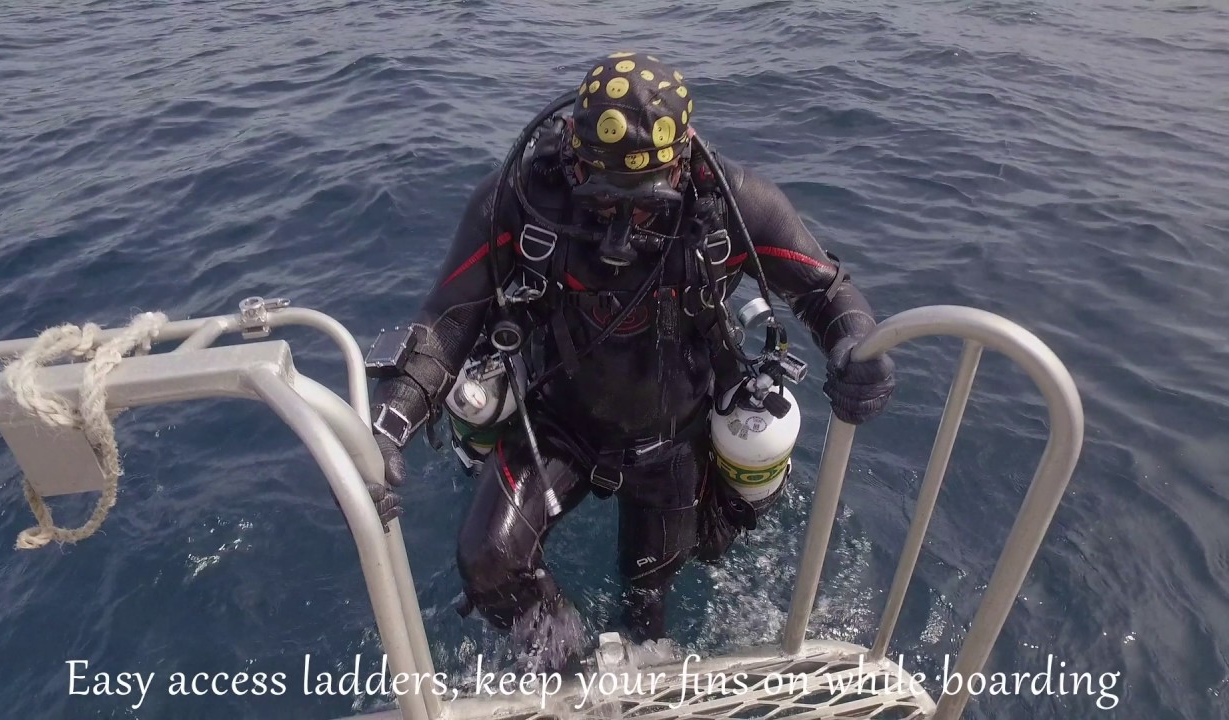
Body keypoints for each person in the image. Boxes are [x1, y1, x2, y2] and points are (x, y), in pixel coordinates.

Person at [364, 52, 895, 673]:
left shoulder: (731, 200)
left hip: (671, 436)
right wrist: (386, 425)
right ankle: (569, 672)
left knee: (649, 599)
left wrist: (858, 346)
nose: (618, 232)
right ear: (571, 156)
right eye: (601, 203)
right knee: (488, 564)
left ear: (682, 160)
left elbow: (826, 289)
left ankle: (643, 664)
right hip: (556, 425)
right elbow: (448, 320)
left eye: (643, 206)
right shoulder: (519, 200)